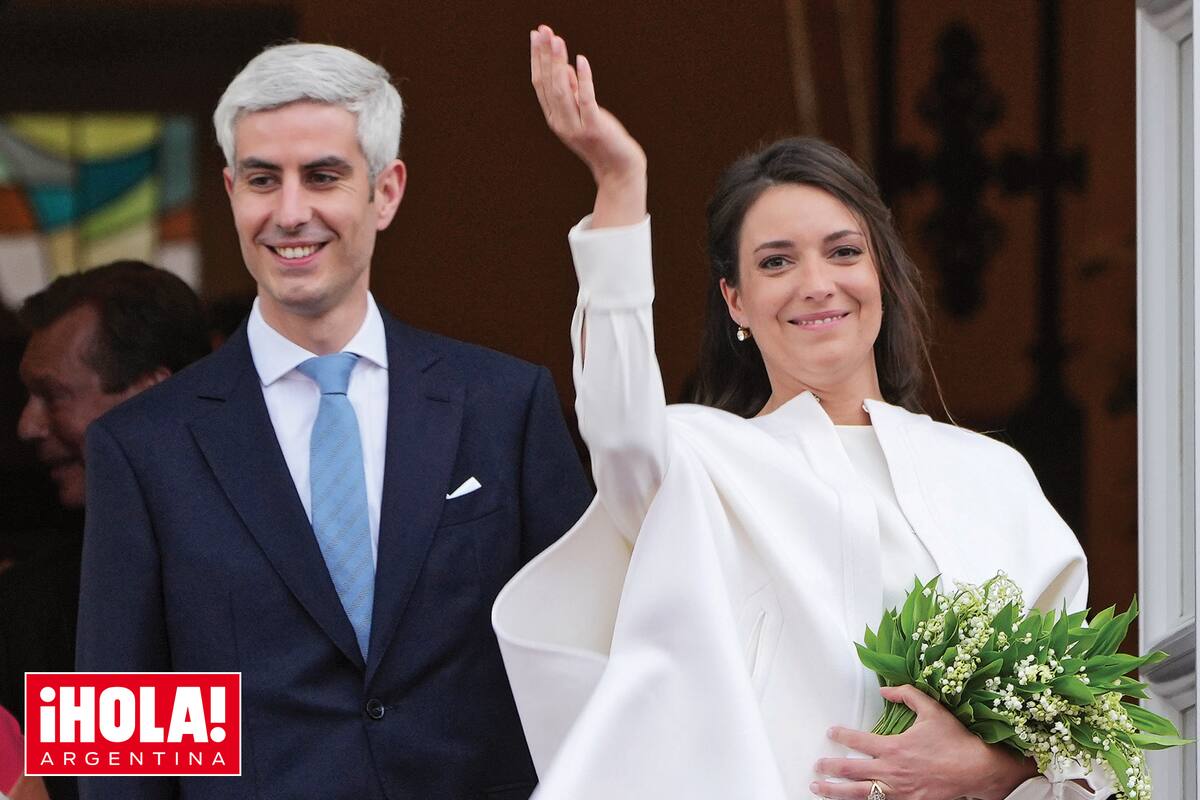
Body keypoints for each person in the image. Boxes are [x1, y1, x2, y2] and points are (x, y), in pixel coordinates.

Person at [492, 27, 1106, 800]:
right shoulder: (694, 459)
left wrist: (990, 770)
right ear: (736, 302)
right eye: (776, 261)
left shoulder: (993, 477)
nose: (817, 284)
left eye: (844, 252)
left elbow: (1090, 746)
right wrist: (620, 182)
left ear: (881, 272)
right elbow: (615, 422)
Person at [76, 43, 592, 799]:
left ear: (386, 192)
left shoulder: (505, 402)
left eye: (323, 176)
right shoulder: (137, 446)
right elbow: (118, 742)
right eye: (261, 180)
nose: (290, 212)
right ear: (229, 191)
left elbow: (588, 660)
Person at [1, 262, 209, 800]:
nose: (28, 426)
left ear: (152, 396)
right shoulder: (31, 602)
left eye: (52, 395)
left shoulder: (269, 565)